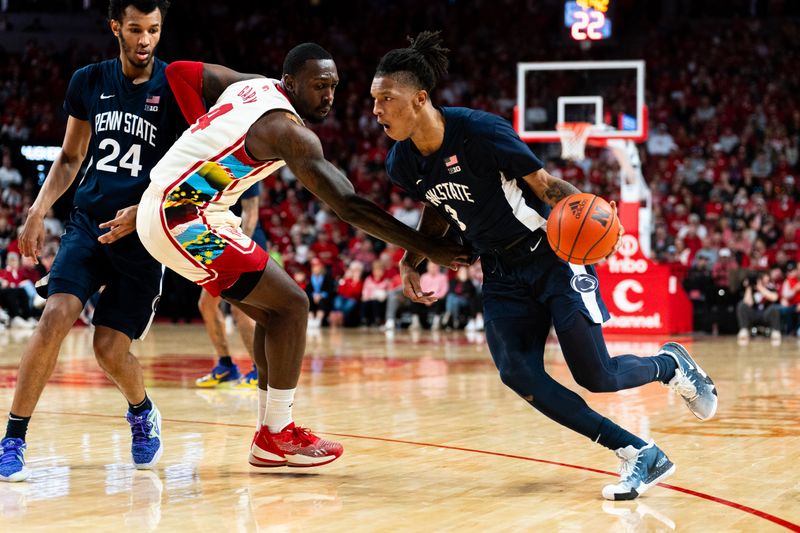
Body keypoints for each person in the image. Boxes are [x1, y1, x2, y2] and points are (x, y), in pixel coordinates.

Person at [370, 31, 718, 500]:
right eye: (374, 100)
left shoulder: (481, 131)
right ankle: (637, 451)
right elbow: (436, 203)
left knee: (597, 376)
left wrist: (601, 231)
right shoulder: (400, 162)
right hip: (499, 273)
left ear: (420, 98)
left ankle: (669, 364)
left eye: (385, 99)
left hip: (553, 257)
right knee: (517, 372)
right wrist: (412, 257)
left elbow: (546, 185)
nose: (376, 110)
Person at [136, 43, 468, 468]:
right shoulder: (287, 131)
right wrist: (427, 246)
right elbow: (348, 205)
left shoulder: (250, 87)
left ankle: (268, 434)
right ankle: (277, 433)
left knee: (272, 313)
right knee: (294, 305)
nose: (328, 96)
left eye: (333, 86)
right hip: (184, 214)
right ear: (290, 84)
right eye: (318, 86)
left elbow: (182, 71)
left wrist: (196, 136)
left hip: (177, 205)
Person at [0, 0, 183, 482]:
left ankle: (142, 411)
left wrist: (145, 213)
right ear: (115, 29)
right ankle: (14, 438)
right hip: (88, 223)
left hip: (143, 235)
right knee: (56, 314)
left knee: (108, 349)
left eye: (154, 30)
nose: (145, 40)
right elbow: (68, 157)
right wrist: (37, 210)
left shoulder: (176, 89)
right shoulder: (88, 80)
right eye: (137, 29)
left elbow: (185, 175)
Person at [195, 183, 262, 389]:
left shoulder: (242, 164)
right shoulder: (209, 167)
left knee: (240, 308)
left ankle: (260, 370)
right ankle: (226, 366)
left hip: (243, 243)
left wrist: (240, 252)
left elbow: (251, 213)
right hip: (218, 243)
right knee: (206, 304)